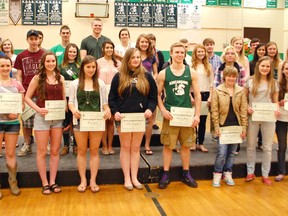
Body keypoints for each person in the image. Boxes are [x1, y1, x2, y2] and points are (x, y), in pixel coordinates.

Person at [108, 48, 157, 190]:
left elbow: (153, 97)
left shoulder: (147, 76)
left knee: (136, 148)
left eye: (138, 57)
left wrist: (149, 109)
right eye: (133, 57)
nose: (136, 60)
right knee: (125, 147)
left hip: (140, 118)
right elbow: (112, 98)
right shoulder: (119, 76)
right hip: (123, 118)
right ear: (127, 59)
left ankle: (134, 177)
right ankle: (127, 178)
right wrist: (115, 111)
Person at [157, 43, 201, 189]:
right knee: (168, 146)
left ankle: (186, 173)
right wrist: (162, 109)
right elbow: (157, 94)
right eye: (177, 52)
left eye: (182, 52)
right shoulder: (164, 73)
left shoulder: (191, 72)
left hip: (187, 115)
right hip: (170, 114)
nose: (179, 55)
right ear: (171, 53)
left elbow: (198, 95)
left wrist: (197, 115)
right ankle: (165, 174)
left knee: (186, 145)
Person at [69, 55, 111, 193]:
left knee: (94, 151)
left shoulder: (101, 84)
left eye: (93, 67)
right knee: (81, 151)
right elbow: (70, 102)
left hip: (96, 122)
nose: (91, 69)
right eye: (88, 67)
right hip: (80, 122)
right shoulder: (75, 84)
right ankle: (83, 179)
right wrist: (74, 110)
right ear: (83, 68)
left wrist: (107, 110)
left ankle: (93, 179)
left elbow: (104, 103)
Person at [25, 51, 65, 194]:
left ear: (56, 62)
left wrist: (64, 114)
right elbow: (27, 98)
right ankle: (45, 182)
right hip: (42, 118)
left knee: (55, 151)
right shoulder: (37, 78)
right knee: (42, 151)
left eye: (53, 61)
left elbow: (64, 99)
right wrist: (38, 109)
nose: (50, 64)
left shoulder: (61, 78)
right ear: (43, 63)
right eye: (48, 61)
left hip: (57, 119)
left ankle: (53, 181)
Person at [245, 56, 280, 186]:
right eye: (263, 66)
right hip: (253, 117)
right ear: (258, 67)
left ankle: (265, 174)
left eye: (267, 66)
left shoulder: (274, 83)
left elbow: (275, 101)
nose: (265, 68)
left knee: (267, 147)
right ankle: (250, 171)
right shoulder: (250, 81)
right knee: (250, 145)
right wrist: (247, 107)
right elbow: (244, 99)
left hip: (268, 117)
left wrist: (276, 110)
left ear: (270, 68)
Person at [211, 66, 247, 187]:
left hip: (236, 126)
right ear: (224, 77)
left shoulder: (241, 91)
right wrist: (216, 127)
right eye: (229, 76)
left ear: (236, 77)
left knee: (232, 152)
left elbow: (243, 111)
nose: (231, 78)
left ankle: (228, 172)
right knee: (221, 152)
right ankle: (217, 173)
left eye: (233, 76)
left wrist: (244, 128)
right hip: (223, 126)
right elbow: (214, 111)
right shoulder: (218, 90)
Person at [14, 29, 45, 157]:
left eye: (35, 38)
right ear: (27, 40)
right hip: (28, 94)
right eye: (31, 39)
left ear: (39, 39)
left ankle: (44, 144)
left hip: (42, 93)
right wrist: (21, 93)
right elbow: (19, 76)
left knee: (44, 120)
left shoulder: (45, 54)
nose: (33, 41)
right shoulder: (21, 56)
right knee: (26, 122)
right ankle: (27, 144)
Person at [0, 56, 25, 199]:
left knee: (10, 153)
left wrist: (16, 111)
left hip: (12, 123)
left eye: (7, 66)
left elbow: (21, 104)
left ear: (11, 67)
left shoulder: (17, 84)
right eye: (2, 66)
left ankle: (13, 182)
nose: (5, 68)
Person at [97, 41, 121, 155]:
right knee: (103, 120)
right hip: (101, 93)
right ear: (103, 49)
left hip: (114, 94)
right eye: (107, 47)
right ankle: (104, 146)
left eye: (111, 47)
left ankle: (110, 145)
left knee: (111, 121)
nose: (109, 49)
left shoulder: (118, 63)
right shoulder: (98, 62)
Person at [136, 34, 158, 155]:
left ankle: (147, 144)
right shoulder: (134, 55)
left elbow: (155, 73)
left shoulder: (152, 57)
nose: (144, 44)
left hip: (149, 88)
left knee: (150, 119)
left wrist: (152, 78)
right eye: (142, 42)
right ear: (138, 43)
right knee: (138, 118)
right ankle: (137, 144)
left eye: (146, 42)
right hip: (136, 89)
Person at [59, 43, 81, 156]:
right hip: (65, 98)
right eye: (70, 51)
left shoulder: (80, 66)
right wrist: (64, 101)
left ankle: (76, 145)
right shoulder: (60, 67)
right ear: (66, 52)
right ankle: (66, 145)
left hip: (77, 98)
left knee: (76, 121)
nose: (72, 54)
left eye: (74, 52)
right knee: (66, 122)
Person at [191, 44, 213, 152]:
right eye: (198, 51)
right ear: (195, 53)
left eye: (202, 52)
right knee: (193, 120)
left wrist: (210, 97)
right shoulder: (191, 66)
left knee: (203, 121)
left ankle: (201, 143)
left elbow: (211, 83)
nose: (200, 53)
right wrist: (190, 96)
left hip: (205, 95)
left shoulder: (208, 67)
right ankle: (193, 142)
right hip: (193, 94)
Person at [274, 60, 288, 182]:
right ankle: (281, 171)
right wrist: (280, 103)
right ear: (283, 70)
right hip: (282, 119)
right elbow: (274, 103)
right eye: (287, 69)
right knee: (282, 146)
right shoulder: (278, 85)